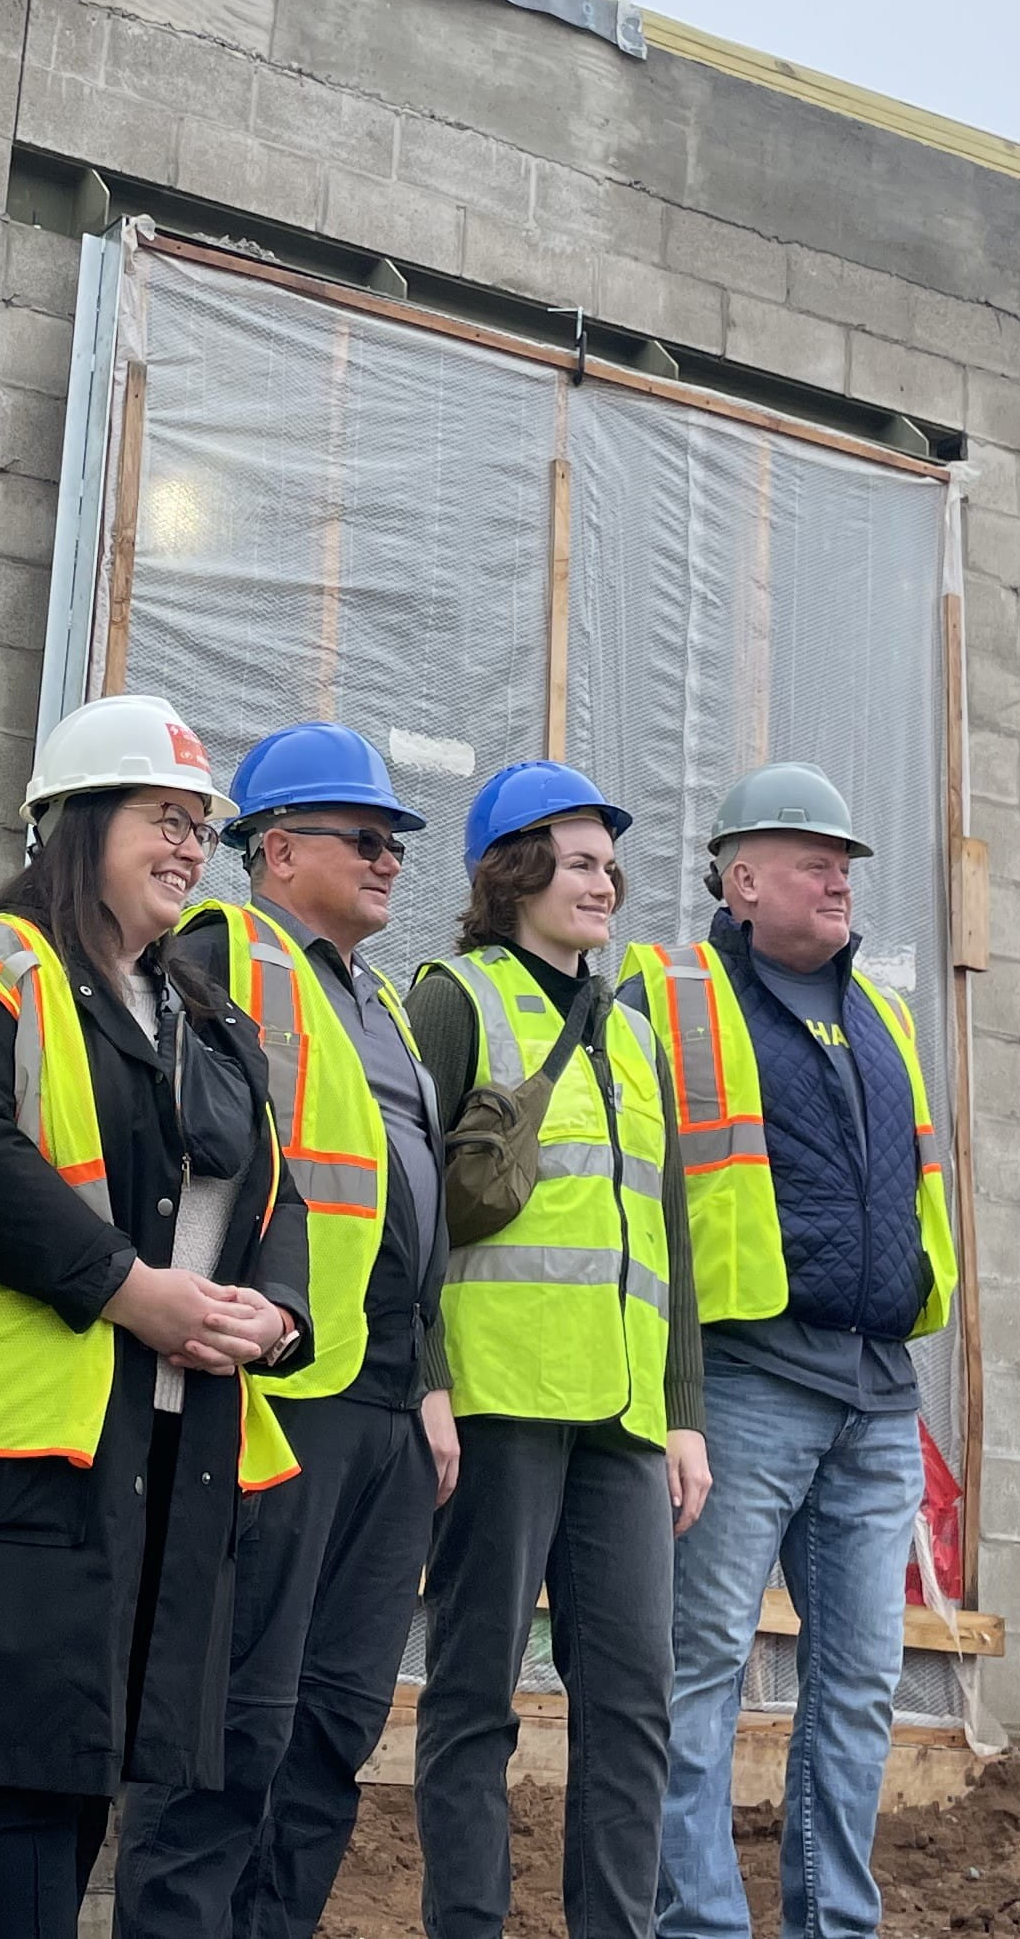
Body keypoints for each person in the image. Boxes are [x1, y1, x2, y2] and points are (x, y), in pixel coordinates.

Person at [0, 692, 311, 1939]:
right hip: (27, 1447)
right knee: (19, 1792)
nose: (189, 846)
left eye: (201, 826)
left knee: (90, 1779)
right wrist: (135, 1293)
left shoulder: (203, 1010)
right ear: (71, 822)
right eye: (161, 816)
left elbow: (270, 1191)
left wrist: (273, 1315)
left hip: (171, 1448)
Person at [114, 722, 448, 1939]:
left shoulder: (384, 1005)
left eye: (397, 842)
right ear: (278, 845)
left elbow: (411, 1210)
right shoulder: (222, 949)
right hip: (270, 1393)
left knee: (331, 1726)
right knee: (229, 1721)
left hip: (380, 1397)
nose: (390, 860)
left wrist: (430, 1386)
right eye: (365, 837)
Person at [649, 762, 959, 1939]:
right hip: (744, 1379)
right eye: (810, 856)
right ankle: (701, 1922)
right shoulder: (671, 994)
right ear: (740, 878)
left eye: (844, 860)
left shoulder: (879, 1012)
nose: (839, 874)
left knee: (859, 1681)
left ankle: (834, 1922)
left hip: (876, 1393)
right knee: (706, 1662)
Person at [409, 760, 710, 1939]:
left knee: (635, 1702)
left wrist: (685, 1410)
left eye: (609, 863)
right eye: (580, 861)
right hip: (500, 1403)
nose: (606, 882)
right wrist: (428, 1379)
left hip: (626, 1421)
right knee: (477, 1693)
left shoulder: (632, 1027)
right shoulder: (455, 999)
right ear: (515, 871)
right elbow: (407, 1214)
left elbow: (669, 1231)